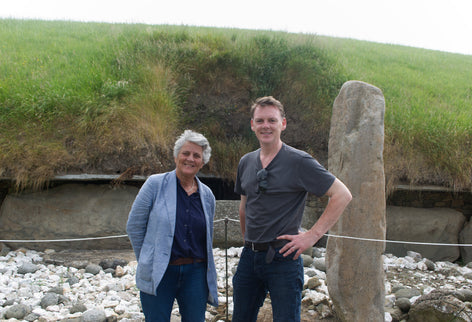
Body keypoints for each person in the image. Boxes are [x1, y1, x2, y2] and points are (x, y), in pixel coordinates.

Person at [233, 96, 352, 322]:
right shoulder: (245, 162)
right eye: (260, 121)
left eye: (271, 120)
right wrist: (247, 243)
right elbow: (244, 207)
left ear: (283, 124)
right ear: (252, 125)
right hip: (250, 258)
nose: (265, 126)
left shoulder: (299, 162)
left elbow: (342, 195)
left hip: (284, 259)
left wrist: (311, 236)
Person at [126, 129, 218, 322]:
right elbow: (134, 226)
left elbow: (206, 236)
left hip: (195, 274)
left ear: (202, 161)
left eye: (196, 155)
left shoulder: (207, 195)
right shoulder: (154, 184)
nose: (190, 159)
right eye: (186, 153)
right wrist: (148, 258)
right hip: (160, 272)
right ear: (176, 155)